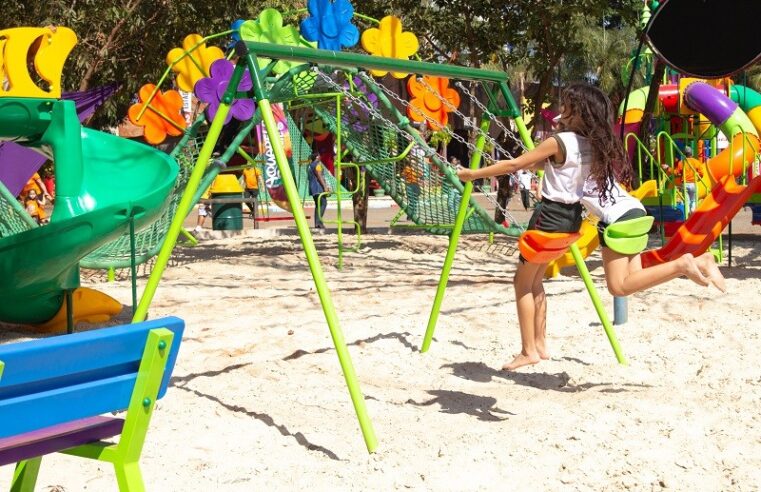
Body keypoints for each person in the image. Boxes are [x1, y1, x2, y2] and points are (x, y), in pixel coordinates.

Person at [457, 83, 625, 371]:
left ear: (577, 111)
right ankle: (541, 344)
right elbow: (551, 168)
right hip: (572, 220)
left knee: (521, 283)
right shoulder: (589, 145)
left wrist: (473, 173)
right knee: (535, 281)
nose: (561, 109)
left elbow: (514, 165)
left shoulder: (559, 141)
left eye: (567, 105)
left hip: (548, 217)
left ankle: (528, 350)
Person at [582, 178, 725, 296]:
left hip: (616, 215)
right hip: (634, 209)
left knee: (618, 287)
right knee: (636, 280)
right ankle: (700, 261)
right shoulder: (591, 154)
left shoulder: (570, 160)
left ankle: (681, 264)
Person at [307, 151, 330, 229]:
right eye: (319, 155)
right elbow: (319, 176)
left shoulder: (310, 165)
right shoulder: (317, 165)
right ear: (317, 157)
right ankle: (319, 222)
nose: (320, 157)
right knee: (323, 203)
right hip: (318, 188)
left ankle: (317, 224)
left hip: (312, 188)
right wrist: (325, 187)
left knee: (318, 205)